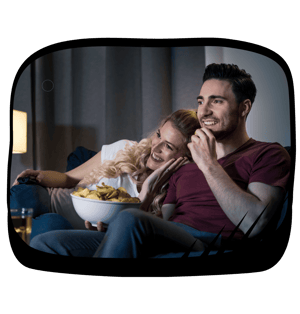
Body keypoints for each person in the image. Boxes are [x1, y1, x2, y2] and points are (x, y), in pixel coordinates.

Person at [30, 63, 291, 258]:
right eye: (201, 101)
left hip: (209, 243)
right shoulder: (183, 165)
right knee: (47, 243)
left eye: (217, 101)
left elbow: (254, 223)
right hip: (166, 237)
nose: (205, 111)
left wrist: (209, 165)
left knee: (130, 219)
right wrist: (122, 220)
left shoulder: (268, 154)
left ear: (244, 107)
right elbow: (162, 222)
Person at [12, 109, 200, 234]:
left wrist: (148, 194)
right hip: (49, 198)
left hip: (68, 227)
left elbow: (131, 232)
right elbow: (69, 178)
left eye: (168, 146)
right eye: (158, 135)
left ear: (186, 157)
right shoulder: (124, 148)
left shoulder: (172, 195)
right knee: (24, 196)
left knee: (52, 225)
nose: (156, 147)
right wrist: (39, 175)